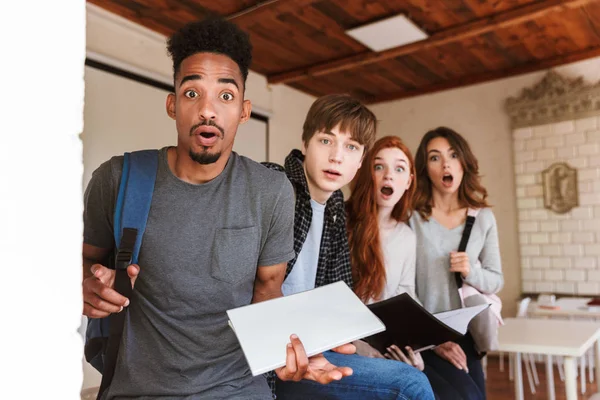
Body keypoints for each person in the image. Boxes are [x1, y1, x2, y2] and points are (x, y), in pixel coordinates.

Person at [82, 17, 354, 400]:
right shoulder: (119, 179)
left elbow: (267, 291)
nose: (208, 111)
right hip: (139, 391)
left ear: (243, 111)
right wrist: (87, 286)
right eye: (193, 93)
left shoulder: (271, 191)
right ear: (173, 104)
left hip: (238, 389)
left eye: (225, 96)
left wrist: (289, 345)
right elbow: (82, 263)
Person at [263, 97, 434, 400]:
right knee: (412, 385)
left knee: (415, 377)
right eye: (326, 140)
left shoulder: (335, 207)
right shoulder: (273, 183)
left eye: (351, 147)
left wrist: (373, 350)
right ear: (305, 143)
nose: (336, 156)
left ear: (359, 162)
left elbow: (338, 298)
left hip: (314, 346)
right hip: (270, 352)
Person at [346, 136, 466, 400]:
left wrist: (415, 351)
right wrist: (363, 349)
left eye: (399, 168)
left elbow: (405, 298)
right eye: (379, 167)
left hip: (391, 345)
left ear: (408, 181)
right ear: (367, 173)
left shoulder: (406, 236)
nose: (388, 175)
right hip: (354, 348)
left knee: (462, 393)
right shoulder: (343, 223)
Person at [410, 126, 504, 400]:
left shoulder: (483, 217)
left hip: (466, 335)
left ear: (464, 162)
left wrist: (471, 271)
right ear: (425, 168)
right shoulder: (412, 217)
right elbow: (404, 284)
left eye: (452, 155)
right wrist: (429, 338)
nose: (445, 163)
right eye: (434, 157)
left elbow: (497, 279)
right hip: (425, 335)